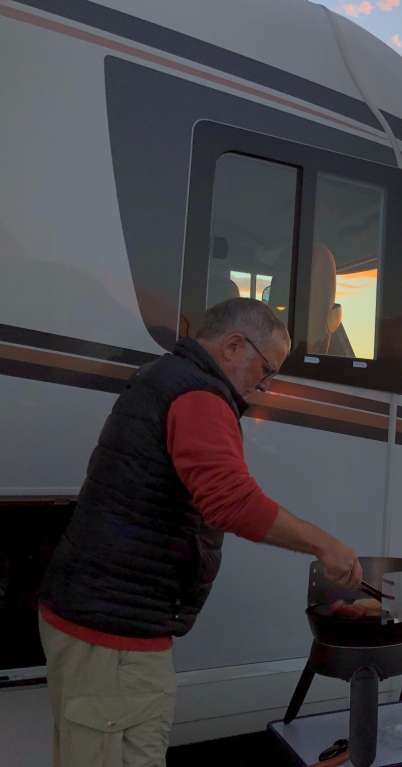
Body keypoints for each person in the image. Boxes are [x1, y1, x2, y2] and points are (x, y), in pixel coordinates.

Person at [37, 298, 363, 767]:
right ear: (233, 345)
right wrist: (324, 545)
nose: (264, 386)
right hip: (113, 638)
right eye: (265, 370)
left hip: (96, 621)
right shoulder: (199, 396)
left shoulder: (164, 376)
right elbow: (230, 500)